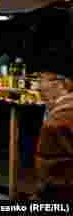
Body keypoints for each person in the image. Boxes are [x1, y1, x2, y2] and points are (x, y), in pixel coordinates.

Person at [35, 72, 73, 200]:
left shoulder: (63, 113)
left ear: (61, 84)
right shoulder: (58, 109)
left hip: (61, 188)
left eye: (42, 81)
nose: (38, 87)